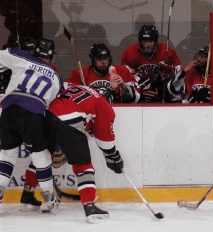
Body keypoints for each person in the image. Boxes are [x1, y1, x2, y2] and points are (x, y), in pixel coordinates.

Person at [19, 84, 124, 224]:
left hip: (47, 115)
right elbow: (104, 138)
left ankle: (27, 194)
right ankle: (90, 206)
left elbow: (78, 107)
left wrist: (90, 126)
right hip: (67, 120)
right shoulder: (104, 104)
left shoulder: (80, 87)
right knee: (83, 163)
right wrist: (113, 156)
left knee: (43, 156)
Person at [0, 38, 63, 213]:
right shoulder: (57, 78)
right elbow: (50, 103)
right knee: (41, 157)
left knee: (7, 155)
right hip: (33, 115)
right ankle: (50, 199)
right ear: (52, 56)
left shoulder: (21, 56)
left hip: (9, 112)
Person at [120, 25, 181, 103]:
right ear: (141, 41)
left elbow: (178, 74)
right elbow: (127, 77)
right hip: (139, 91)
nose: (148, 45)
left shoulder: (167, 51)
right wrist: (145, 85)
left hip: (161, 91)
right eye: (145, 41)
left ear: (155, 41)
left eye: (150, 41)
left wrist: (169, 73)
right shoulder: (130, 53)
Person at [68, 43, 140, 103]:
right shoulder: (80, 74)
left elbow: (137, 97)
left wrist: (123, 85)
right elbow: (69, 99)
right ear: (93, 60)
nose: (103, 62)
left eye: (105, 58)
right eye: (99, 59)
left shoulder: (122, 72)